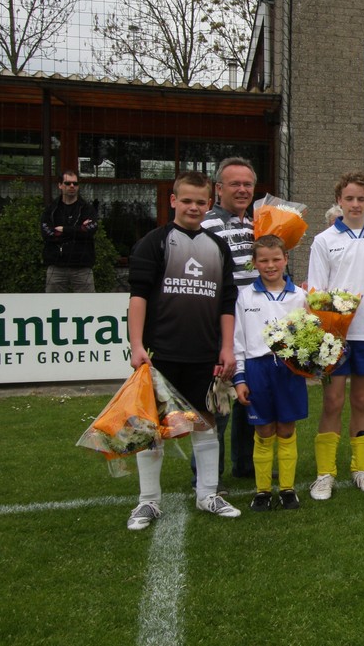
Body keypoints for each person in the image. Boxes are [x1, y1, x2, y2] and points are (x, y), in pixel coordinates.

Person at [125, 171, 240, 530]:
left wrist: (226, 347)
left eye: (200, 202)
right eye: (186, 200)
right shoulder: (154, 242)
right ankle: (148, 501)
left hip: (204, 353)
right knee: (151, 426)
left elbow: (227, 302)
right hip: (161, 353)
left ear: (209, 204)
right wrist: (137, 345)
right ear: (173, 200)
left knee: (205, 422)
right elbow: (138, 297)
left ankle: (207, 494)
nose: (193, 207)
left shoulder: (217, 247)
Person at [307, 172, 364, 500]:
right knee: (332, 402)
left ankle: (361, 469)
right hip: (335, 335)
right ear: (339, 201)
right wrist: (322, 335)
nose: (355, 204)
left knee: (361, 401)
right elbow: (316, 290)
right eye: (349, 198)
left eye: (361, 198)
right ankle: (324, 474)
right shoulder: (323, 240)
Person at [232, 235, 309, 512]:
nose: (270, 265)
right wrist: (240, 378)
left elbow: (309, 335)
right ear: (254, 263)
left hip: (288, 369)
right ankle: (262, 491)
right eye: (263, 260)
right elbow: (238, 341)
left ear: (286, 259)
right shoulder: (245, 296)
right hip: (257, 369)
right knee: (264, 430)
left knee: (286, 429)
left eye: (276, 259)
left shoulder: (300, 296)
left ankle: (287, 489)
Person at [200, 157, 259, 482]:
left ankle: (245, 465)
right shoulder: (205, 226)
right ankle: (208, 476)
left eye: (247, 184)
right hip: (219, 328)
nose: (242, 189)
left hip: (255, 328)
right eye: (235, 184)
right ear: (218, 188)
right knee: (218, 402)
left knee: (249, 398)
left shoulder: (259, 225)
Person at [40, 170, 98, 292]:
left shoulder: (87, 209)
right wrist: (78, 230)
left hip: (82, 267)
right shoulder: (51, 209)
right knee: (53, 302)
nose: (72, 186)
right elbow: (47, 234)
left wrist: (64, 229)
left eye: (75, 183)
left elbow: (89, 230)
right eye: (67, 183)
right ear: (60, 185)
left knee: (87, 302)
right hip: (56, 267)